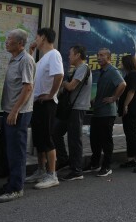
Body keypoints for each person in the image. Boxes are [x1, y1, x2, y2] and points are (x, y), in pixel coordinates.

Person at [0, 28, 35, 203]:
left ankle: (16, 188)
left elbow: (27, 88)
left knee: (16, 152)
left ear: (20, 43)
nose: (6, 41)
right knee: (6, 149)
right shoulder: (15, 58)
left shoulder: (25, 60)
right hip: (10, 111)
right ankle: (11, 182)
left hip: (18, 113)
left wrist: (15, 110)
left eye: (9, 39)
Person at [25, 28, 64, 190]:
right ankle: (41, 170)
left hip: (47, 103)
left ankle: (52, 175)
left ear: (44, 38)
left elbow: (59, 75)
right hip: (38, 103)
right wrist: (31, 52)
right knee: (39, 139)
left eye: (37, 36)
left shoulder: (54, 54)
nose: (36, 39)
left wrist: (51, 94)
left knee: (47, 138)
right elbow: (32, 71)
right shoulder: (43, 59)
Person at [82, 48, 126, 177]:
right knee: (94, 139)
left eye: (102, 55)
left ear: (109, 58)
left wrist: (114, 98)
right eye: (98, 55)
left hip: (107, 112)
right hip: (98, 111)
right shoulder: (103, 71)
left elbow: (122, 84)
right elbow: (105, 89)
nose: (99, 57)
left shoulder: (112, 71)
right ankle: (95, 163)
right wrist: (94, 100)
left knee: (106, 140)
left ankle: (107, 166)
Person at [52, 45, 91, 181]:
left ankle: (77, 170)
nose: (68, 57)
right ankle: (63, 159)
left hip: (77, 108)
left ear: (78, 55)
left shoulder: (83, 68)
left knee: (74, 139)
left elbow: (71, 86)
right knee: (55, 133)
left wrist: (63, 83)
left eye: (70, 54)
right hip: (69, 109)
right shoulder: (77, 69)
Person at [118, 55, 136, 173]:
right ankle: (131, 159)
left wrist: (125, 105)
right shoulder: (129, 74)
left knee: (132, 133)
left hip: (133, 109)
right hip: (129, 109)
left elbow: (132, 91)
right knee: (128, 133)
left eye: (122, 62)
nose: (121, 64)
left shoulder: (134, 74)